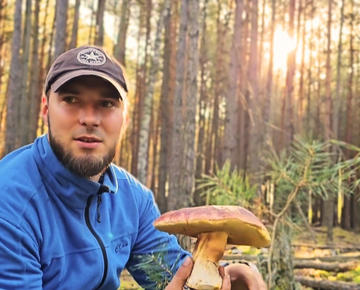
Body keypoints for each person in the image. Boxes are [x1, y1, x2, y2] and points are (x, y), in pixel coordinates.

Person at [0, 45, 267, 290]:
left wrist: (237, 274)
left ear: (124, 119)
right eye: (71, 100)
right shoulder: (10, 201)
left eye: (106, 103)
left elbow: (170, 275)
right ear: (45, 109)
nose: (90, 118)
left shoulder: (133, 200)